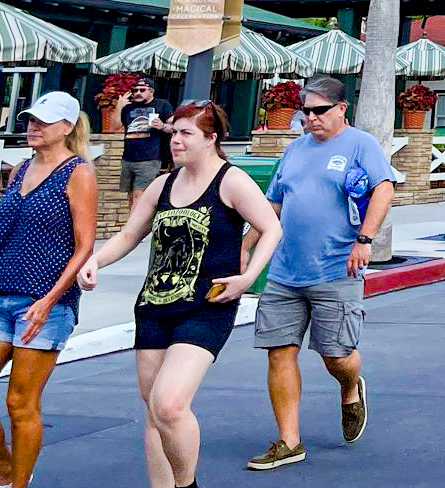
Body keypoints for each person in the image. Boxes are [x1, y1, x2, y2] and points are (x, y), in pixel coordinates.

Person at [82, 100, 283, 488]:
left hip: (206, 307)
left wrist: (248, 277)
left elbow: (271, 228)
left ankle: (186, 483)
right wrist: (95, 261)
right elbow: (129, 234)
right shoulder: (163, 184)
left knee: (170, 404)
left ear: (211, 138)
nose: (175, 140)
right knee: (154, 412)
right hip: (155, 307)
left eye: (186, 133)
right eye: (174, 132)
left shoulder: (231, 181)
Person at [0, 91, 98, 488]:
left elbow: (84, 245)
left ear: (66, 127)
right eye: (31, 120)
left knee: (20, 403)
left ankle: (17, 484)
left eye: (43, 121)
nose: (33, 127)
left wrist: (50, 300)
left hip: (46, 304)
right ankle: (7, 470)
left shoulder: (78, 172)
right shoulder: (19, 170)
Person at [247, 75, 394, 472]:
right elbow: (273, 205)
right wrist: (245, 247)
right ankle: (289, 441)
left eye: (319, 111)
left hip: (337, 268)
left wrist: (365, 240)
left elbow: (384, 189)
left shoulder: (361, 144)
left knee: (336, 355)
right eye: (305, 112)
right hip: (285, 270)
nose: (310, 118)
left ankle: (350, 386)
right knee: (279, 351)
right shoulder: (294, 150)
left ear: (341, 109)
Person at [120, 77, 174, 212]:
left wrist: (162, 126)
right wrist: (119, 107)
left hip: (149, 158)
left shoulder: (162, 105)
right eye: (135, 90)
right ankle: (132, 221)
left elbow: (174, 127)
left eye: (142, 90)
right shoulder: (128, 107)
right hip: (128, 158)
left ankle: (133, 224)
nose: (138, 93)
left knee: (140, 195)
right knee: (131, 196)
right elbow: (114, 126)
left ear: (151, 91)